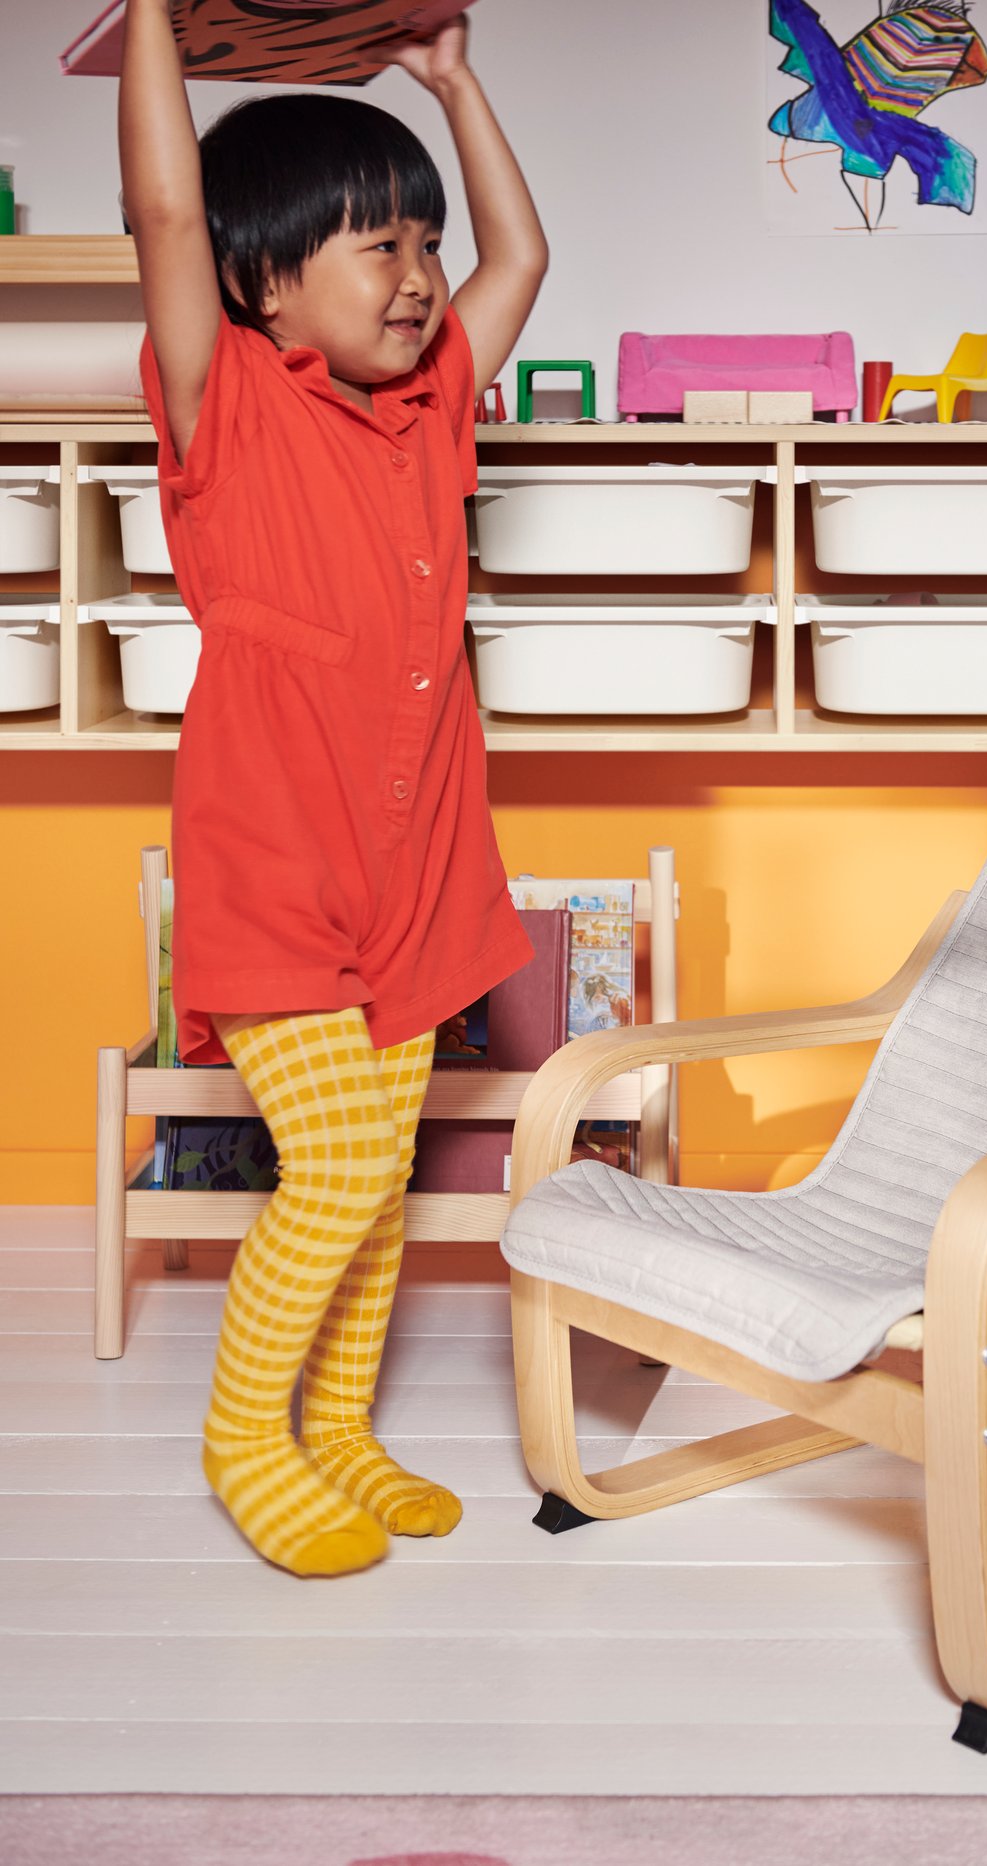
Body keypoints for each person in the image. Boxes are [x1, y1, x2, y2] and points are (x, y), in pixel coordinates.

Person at [118, 1, 547, 1576]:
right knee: (346, 1164)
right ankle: (247, 1436)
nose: (420, 271)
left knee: (372, 1172)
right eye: (373, 245)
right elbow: (167, 206)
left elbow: (524, 264)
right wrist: (158, 14)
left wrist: (452, 83)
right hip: (281, 862)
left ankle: (342, 1427)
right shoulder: (222, 405)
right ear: (263, 285)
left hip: (419, 865)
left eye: (418, 236)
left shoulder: (432, 417)